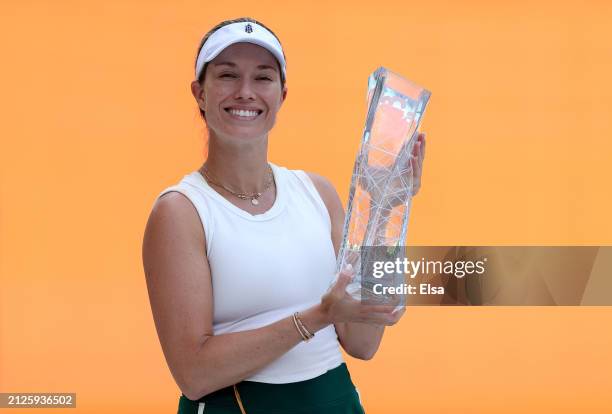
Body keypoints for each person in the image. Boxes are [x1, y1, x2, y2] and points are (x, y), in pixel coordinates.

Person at [142, 17, 426, 414]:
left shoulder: (317, 194)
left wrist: (383, 211)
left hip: (334, 401)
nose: (245, 92)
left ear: (282, 95)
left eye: (263, 78)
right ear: (199, 93)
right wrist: (317, 316)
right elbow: (194, 374)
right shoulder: (181, 211)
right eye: (227, 76)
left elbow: (363, 343)